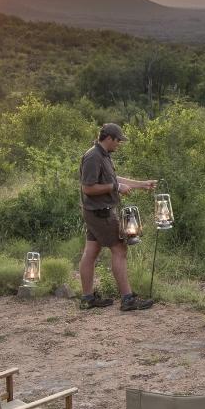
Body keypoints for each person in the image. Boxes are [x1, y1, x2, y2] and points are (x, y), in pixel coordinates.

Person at [77, 123, 157, 312]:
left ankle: (87, 298)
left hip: (95, 212)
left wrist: (141, 184)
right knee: (120, 249)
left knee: (91, 252)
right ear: (109, 138)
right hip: (100, 212)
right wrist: (115, 188)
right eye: (118, 140)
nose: (119, 144)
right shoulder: (93, 156)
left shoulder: (103, 156)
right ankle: (127, 299)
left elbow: (113, 179)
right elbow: (88, 188)